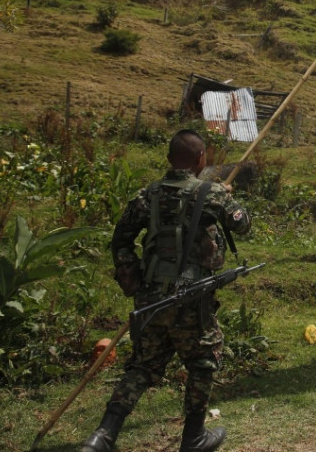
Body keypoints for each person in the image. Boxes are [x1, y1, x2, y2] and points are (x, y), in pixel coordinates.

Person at [81, 130, 251, 452]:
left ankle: (102, 436)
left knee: (143, 366)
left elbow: (120, 240)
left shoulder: (148, 195)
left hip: (151, 298)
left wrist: (133, 281)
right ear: (201, 159)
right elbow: (242, 224)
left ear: (169, 158)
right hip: (192, 299)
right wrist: (226, 197)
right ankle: (194, 437)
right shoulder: (212, 193)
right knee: (203, 361)